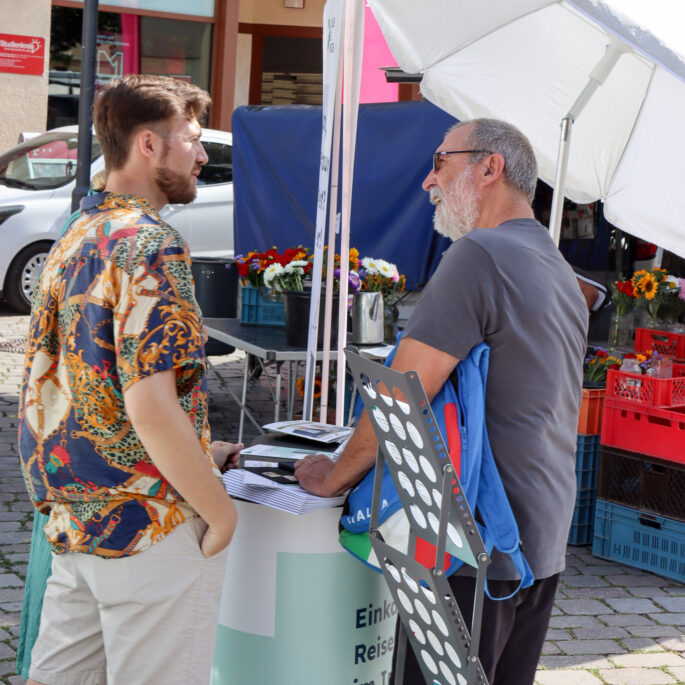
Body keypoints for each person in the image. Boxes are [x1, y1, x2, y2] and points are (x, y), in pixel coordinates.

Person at [295, 119, 588, 685]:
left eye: (440, 162)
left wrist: (333, 476)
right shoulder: (555, 264)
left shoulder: (478, 254)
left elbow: (402, 395)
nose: (428, 182)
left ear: (489, 167)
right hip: (543, 533)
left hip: (475, 541)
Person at [18, 74, 241, 685]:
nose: (202, 155)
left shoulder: (76, 234)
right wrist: (219, 515)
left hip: (76, 518)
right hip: (148, 525)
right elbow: (150, 405)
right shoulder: (149, 245)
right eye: (191, 140)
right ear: (148, 145)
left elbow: (81, 382)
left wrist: (202, 451)